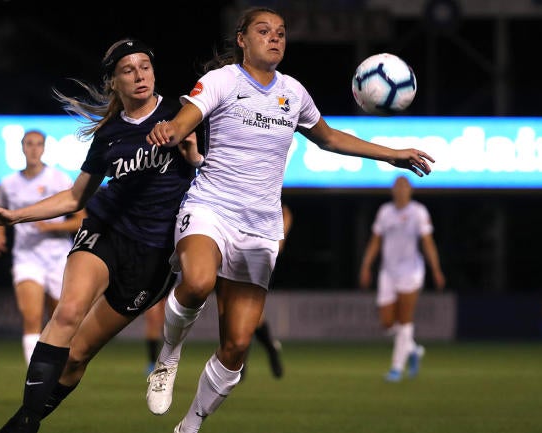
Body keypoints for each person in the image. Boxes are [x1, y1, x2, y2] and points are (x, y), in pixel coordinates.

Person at [143, 7, 435, 433]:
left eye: (280, 33)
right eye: (264, 31)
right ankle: (168, 358)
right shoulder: (224, 80)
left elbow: (330, 138)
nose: (275, 38)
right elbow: (189, 115)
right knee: (198, 281)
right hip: (211, 207)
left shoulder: (293, 93)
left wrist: (394, 154)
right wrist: (169, 129)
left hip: (260, 226)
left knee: (238, 345)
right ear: (242, 39)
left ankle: (189, 426)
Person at [0, 38, 203, 433]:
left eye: (144, 66)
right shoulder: (110, 135)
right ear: (113, 82)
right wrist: (15, 217)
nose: (139, 75)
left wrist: (194, 156)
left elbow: (210, 168)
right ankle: (24, 424)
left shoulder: (182, 113)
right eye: (128, 70)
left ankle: (28, 417)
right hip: (105, 230)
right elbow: (77, 196)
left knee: (77, 357)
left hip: (152, 256)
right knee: (68, 312)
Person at [0, 129, 85, 365]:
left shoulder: (59, 179)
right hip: (26, 257)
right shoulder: (8, 183)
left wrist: (51, 228)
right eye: (29, 144)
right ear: (22, 148)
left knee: (60, 318)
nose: (33, 149)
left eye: (38, 144)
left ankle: (57, 369)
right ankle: (34, 374)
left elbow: (80, 219)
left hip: (58, 257)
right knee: (31, 316)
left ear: (44, 148)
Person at [359, 175, 445, 382]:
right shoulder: (385, 212)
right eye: (396, 186)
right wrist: (366, 266)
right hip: (388, 272)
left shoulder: (418, 212)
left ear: (410, 190)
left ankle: (396, 368)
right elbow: (375, 241)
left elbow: (428, 242)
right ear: (392, 190)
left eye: (404, 186)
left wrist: (436, 269)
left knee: (405, 320)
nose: (400, 189)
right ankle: (413, 349)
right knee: (388, 323)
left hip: (411, 271)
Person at [240, 203, 292, 381]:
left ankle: (240, 360)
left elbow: (286, 213)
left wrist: (279, 241)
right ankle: (270, 347)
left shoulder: (267, 187)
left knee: (245, 307)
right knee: (247, 311)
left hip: (259, 252)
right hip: (237, 249)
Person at [144, 298, 167, 375]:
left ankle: (169, 361)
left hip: (170, 288)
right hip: (153, 289)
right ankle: (152, 363)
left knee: (167, 322)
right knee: (153, 318)